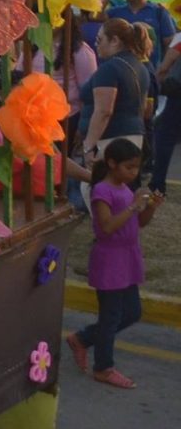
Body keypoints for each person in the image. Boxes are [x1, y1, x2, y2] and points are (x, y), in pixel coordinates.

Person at [66, 140, 160, 389]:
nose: (134, 173)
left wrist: (149, 208)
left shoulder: (125, 188)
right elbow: (106, 228)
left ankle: (83, 339)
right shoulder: (102, 191)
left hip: (128, 257)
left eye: (137, 168)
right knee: (111, 316)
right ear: (111, 164)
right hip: (110, 259)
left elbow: (139, 223)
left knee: (132, 311)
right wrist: (132, 206)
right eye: (129, 167)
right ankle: (103, 368)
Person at [80, 18, 152, 163]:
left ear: (114, 41)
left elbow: (104, 111)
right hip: (134, 136)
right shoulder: (140, 66)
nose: (96, 44)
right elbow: (142, 107)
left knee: (99, 184)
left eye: (99, 40)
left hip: (109, 141)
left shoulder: (110, 69)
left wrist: (88, 146)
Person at [105, 0, 175, 68]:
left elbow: (169, 42)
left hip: (150, 69)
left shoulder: (158, 11)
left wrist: (164, 69)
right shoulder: (116, 12)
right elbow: (95, 16)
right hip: (121, 68)